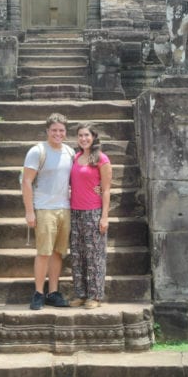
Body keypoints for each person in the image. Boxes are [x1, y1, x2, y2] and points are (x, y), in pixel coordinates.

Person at [21, 112, 75, 310]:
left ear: (65, 132)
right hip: (44, 208)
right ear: (47, 131)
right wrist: (29, 211)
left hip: (65, 208)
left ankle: (53, 292)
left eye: (61, 130)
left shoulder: (69, 152)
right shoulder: (37, 151)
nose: (58, 134)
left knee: (58, 252)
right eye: (54, 130)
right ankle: (38, 292)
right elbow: (26, 181)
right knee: (43, 252)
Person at [69, 124, 112, 309]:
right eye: (80, 135)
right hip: (75, 212)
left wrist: (104, 216)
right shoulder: (76, 157)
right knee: (78, 256)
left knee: (95, 256)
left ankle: (95, 296)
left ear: (93, 137)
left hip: (93, 212)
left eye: (87, 135)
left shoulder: (101, 159)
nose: (83, 138)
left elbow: (107, 189)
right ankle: (81, 294)